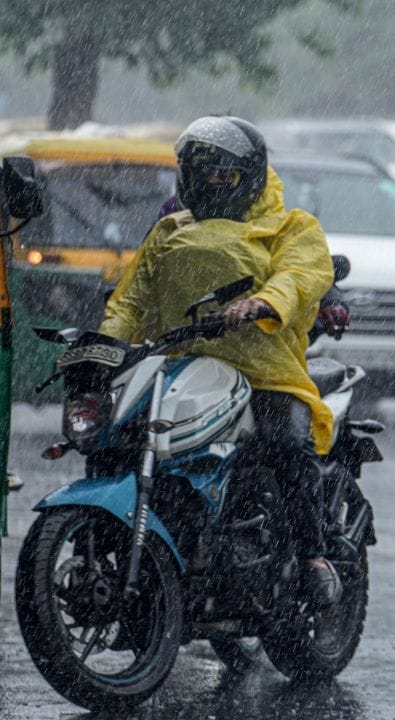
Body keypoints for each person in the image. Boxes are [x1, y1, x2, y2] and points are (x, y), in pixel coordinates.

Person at [100, 116, 343, 606]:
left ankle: (314, 559)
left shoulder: (290, 227)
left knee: (287, 446)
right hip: (176, 368)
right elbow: (130, 303)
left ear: (247, 175)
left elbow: (300, 275)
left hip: (264, 373)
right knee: (111, 440)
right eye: (198, 171)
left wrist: (262, 303)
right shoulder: (170, 229)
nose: (206, 182)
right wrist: (103, 348)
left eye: (219, 174)